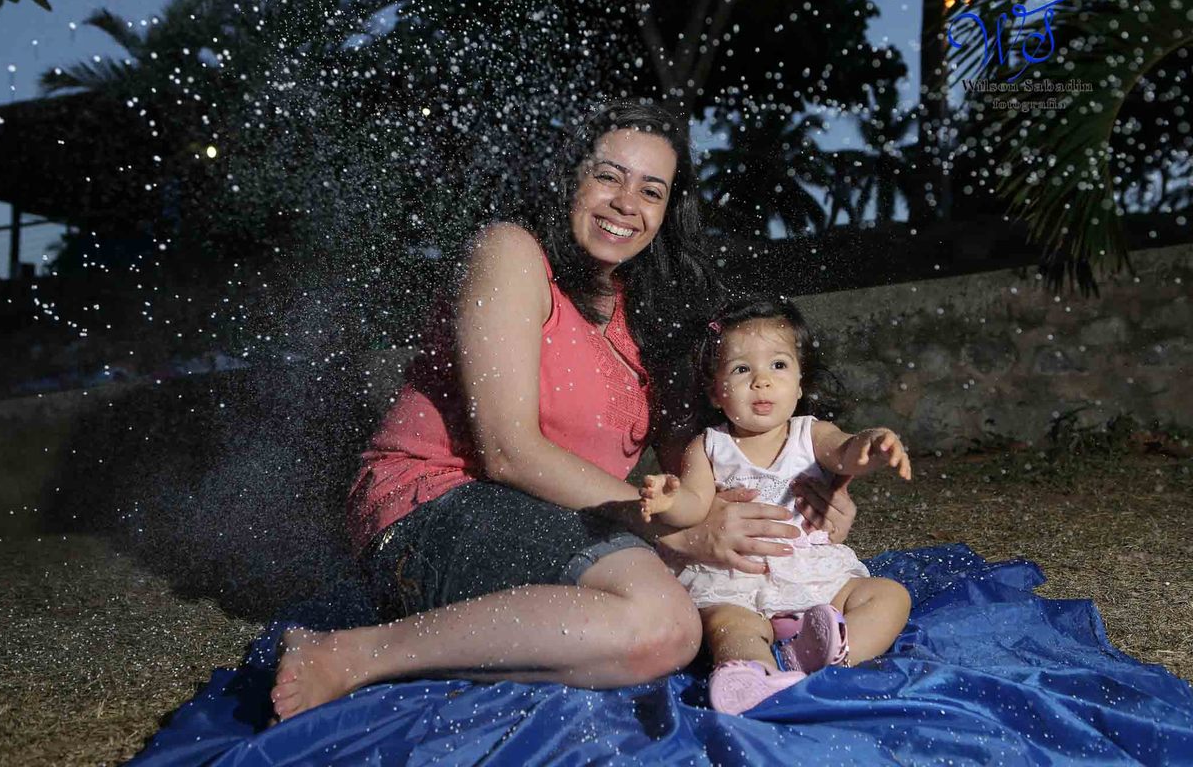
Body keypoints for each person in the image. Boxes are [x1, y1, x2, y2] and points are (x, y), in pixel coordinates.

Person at [270, 101, 859, 721]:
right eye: (608, 176)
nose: (626, 203)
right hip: (430, 507)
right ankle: (348, 655)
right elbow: (507, 450)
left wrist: (805, 488)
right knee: (667, 625)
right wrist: (685, 529)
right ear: (569, 179)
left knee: (671, 630)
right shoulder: (510, 253)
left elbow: (691, 457)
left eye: (651, 191)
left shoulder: (650, 313)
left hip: (552, 519)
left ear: (665, 214)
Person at [639, 296, 913, 714]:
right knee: (728, 626)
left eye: (778, 366)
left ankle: (833, 654)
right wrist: (670, 498)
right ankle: (750, 674)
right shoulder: (709, 446)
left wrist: (872, 442)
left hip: (814, 576)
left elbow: (845, 452)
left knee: (890, 596)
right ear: (716, 392)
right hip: (738, 576)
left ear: (800, 384)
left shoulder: (810, 433)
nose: (761, 381)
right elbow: (695, 506)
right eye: (742, 369)